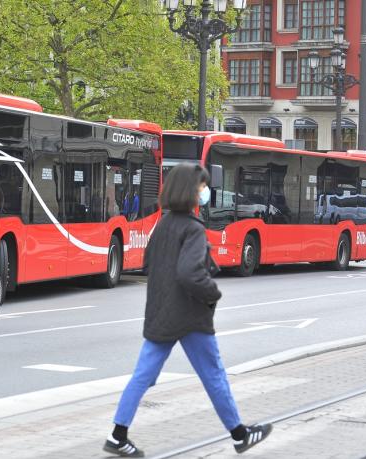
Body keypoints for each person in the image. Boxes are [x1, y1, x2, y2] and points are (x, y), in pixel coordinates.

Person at [103, 164, 272, 458]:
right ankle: (240, 435)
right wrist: (212, 293)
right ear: (191, 191)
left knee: (142, 376)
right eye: (202, 186)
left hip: (161, 313)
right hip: (191, 316)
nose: (205, 191)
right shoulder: (193, 229)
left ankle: (118, 435)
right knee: (213, 374)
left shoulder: (162, 227)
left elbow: (149, 267)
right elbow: (189, 273)